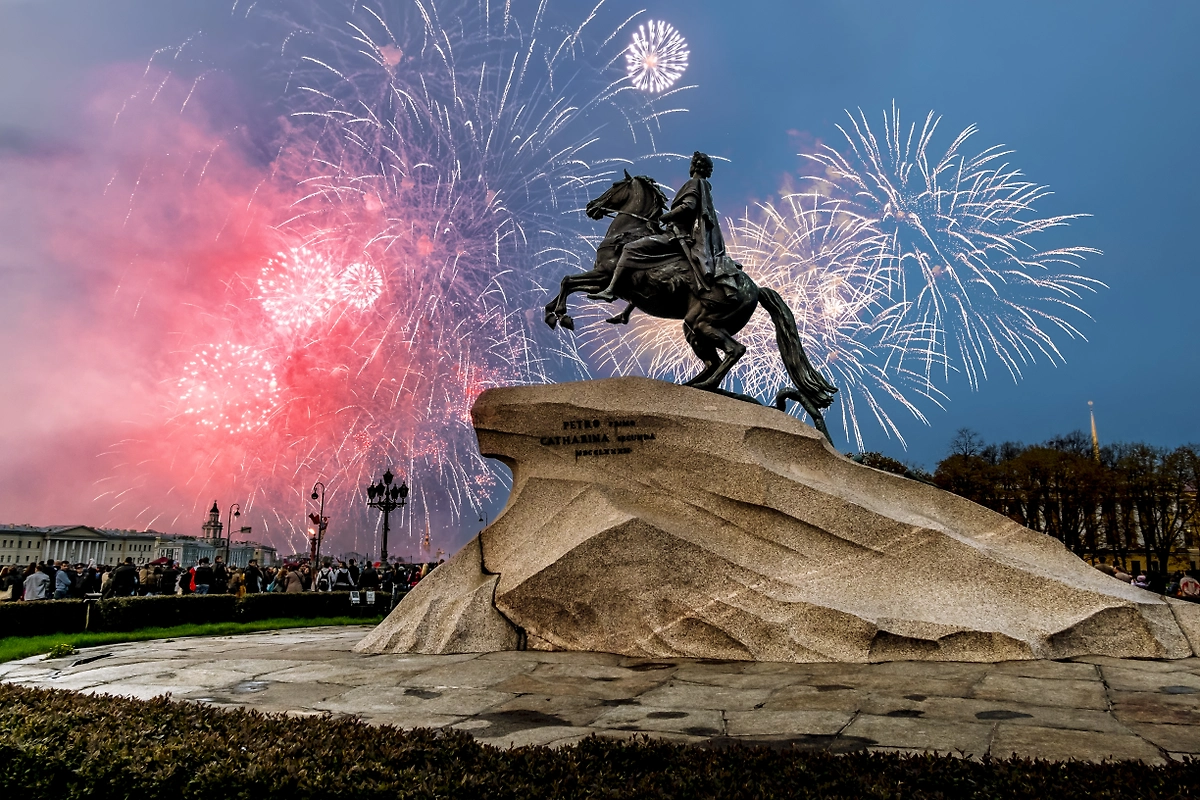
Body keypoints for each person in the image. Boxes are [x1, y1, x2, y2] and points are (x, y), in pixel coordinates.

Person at [589, 151, 737, 302]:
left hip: (678, 235)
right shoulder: (703, 186)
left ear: (694, 166)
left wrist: (666, 217)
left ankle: (611, 290)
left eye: (691, 164)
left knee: (630, 248)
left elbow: (688, 206)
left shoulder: (694, 183)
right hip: (681, 234)